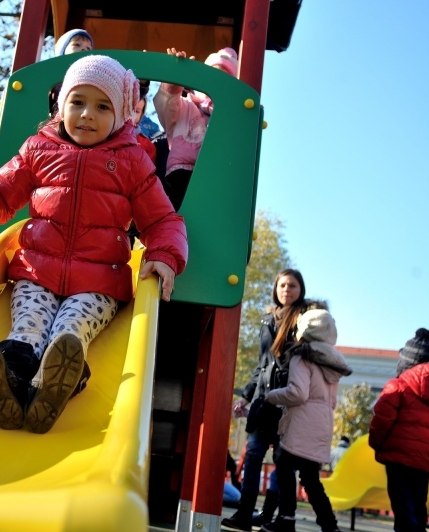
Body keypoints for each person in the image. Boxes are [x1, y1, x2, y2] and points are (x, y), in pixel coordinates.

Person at [0, 55, 188, 434]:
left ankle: (60, 381)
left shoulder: (132, 161)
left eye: (101, 106)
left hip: (99, 281)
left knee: (70, 330)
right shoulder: (38, 150)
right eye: (77, 102)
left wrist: (164, 255)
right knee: (27, 328)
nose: (86, 114)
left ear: (120, 116)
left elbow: (162, 218)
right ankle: (9, 384)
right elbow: (2, 187)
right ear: (61, 104)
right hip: (36, 270)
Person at [222, 269, 313, 532]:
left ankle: (268, 515)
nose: (287, 290)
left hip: (288, 402)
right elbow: (262, 365)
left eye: (292, 285)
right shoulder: (266, 320)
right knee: (252, 456)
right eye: (282, 285)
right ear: (276, 289)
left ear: (300, 289)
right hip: (263, 402)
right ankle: (245, 513)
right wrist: (246, 397)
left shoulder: (305, 321)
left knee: (283, 462)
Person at [261, 308, 352, 532]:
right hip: (322, 424)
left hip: (301, 422)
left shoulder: (302, 355)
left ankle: (286, 519)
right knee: (311, 479)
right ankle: (330, 526)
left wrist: (271, 397)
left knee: (284, 467)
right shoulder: (333, 361)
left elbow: (298, 393)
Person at [368, 328, 429, 532]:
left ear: (405, 362)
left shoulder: (398, 385)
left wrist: (377, 445)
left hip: (397, 457)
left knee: (403, 509)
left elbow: (382, 419)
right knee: (417, 507)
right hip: (424, 461)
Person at [152, 47, 237, 211]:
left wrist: (245, 113)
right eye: (212, 78)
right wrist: (175, 78)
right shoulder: (187, 106)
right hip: (181, 173)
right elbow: (167, 105)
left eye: (223, 80)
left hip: (214, 175)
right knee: (179, 215)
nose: (216, 85)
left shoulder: (227, 117)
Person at [48, 29, 94, 115]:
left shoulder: (91, 77)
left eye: (88, 48)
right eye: (77, 44)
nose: (84, 49)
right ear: (63, 51)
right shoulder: (56, 81)